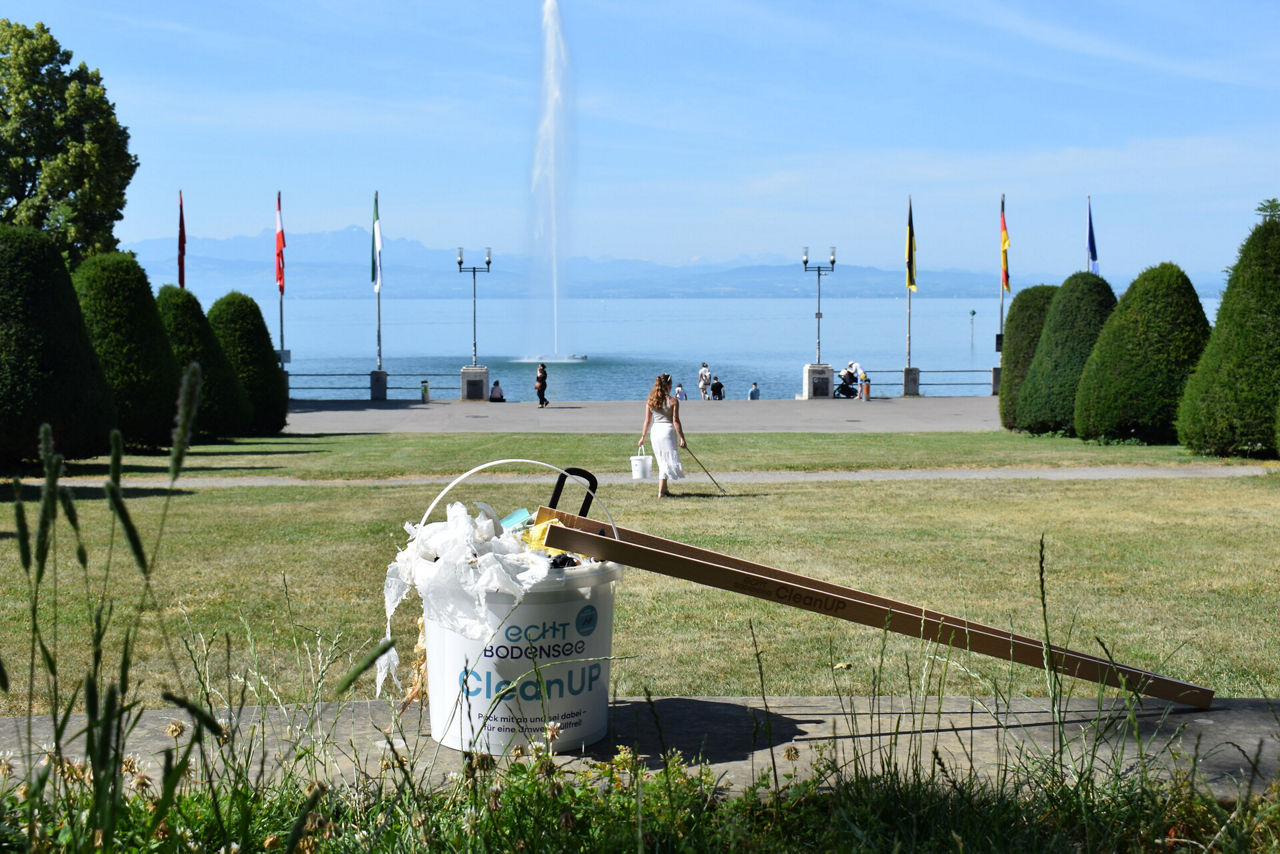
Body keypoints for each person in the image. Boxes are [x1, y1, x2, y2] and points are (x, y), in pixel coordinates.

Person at [637, 373, 686, 498]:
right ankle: (661, 492)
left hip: (656, 431)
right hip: (667, 431)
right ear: (669, 385)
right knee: (666, 462)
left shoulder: (651, 400)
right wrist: (682, 438)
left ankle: (664, 490)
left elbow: (647, 421)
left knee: (662, 461)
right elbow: (676, 421)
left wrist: (643, 436)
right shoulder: (673, 401)